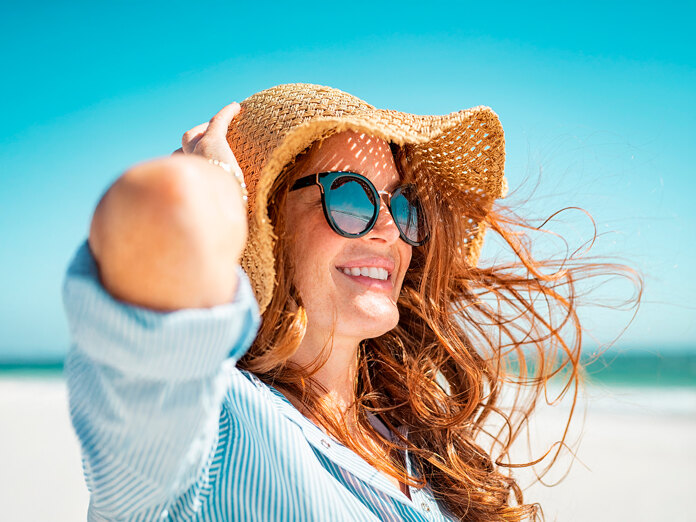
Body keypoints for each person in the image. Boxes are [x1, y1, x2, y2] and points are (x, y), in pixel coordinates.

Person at [63, 84, 634, 521]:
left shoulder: (411, 441)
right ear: (261, 220)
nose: (388, 229)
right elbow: (151, 214)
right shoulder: (204, 431)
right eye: (352, 197)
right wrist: (210, 189)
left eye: (401, 204)